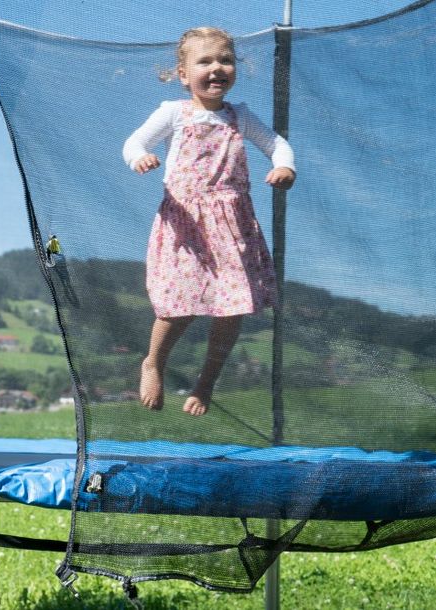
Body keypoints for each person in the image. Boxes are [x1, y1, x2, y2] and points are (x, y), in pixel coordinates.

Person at [122, 27, 296, 416]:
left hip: (233, 226)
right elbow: (134, 143)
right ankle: (153, 362)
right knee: (177, 305)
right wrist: (140, 159)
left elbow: (276, 144)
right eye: (205, 61)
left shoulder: (240, 117)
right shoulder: (174, 113)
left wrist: (284, 166)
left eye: (226, 60)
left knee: (232, 307)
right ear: (183, 74)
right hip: (185, 223)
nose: (217, 68)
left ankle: (205, 382)